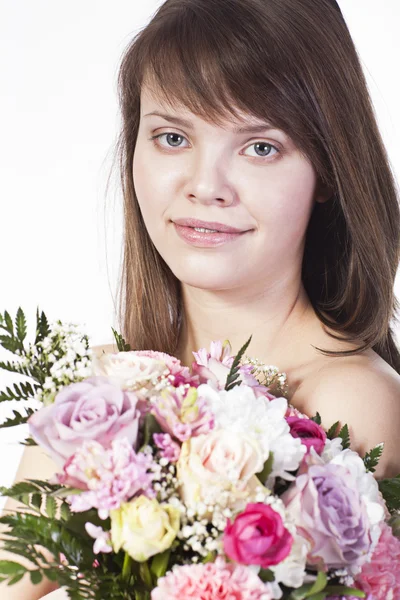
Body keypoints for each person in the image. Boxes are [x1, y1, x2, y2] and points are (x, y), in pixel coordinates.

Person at [2, 0, 400, 597]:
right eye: (171, 136)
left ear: (327, 168)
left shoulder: (351, 404)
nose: (205, 185)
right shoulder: (102, 402)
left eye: (260, 147)